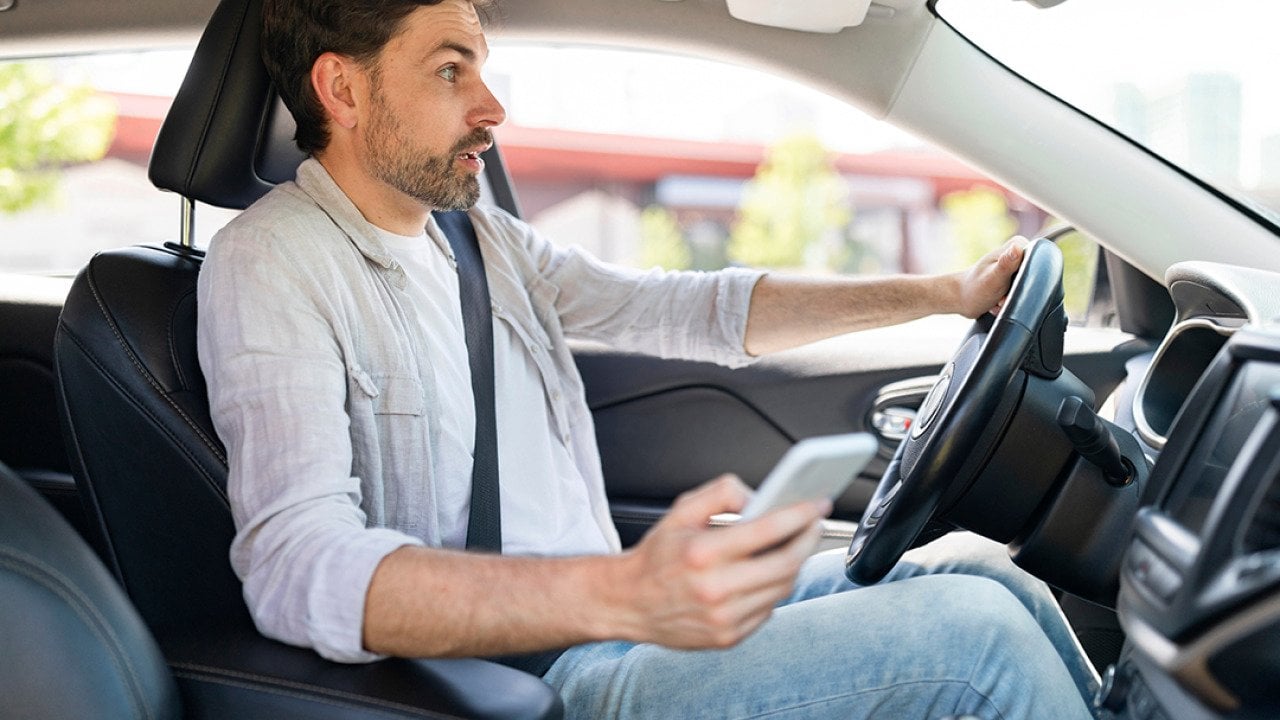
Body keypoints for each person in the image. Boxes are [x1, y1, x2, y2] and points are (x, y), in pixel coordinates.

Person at [196, 0, 1100, 717]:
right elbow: (295, 568)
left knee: (983, 567)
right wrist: (619, 591)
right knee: (975, 637)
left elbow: (692, 309)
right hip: (529, 681)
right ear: (343, 90)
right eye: (449, 69)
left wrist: (943, 293)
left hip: (614, 628)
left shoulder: (479, 243)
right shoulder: (273, 261)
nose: (492, 107)